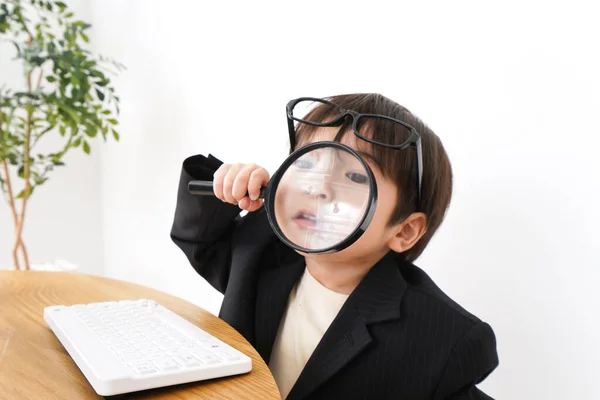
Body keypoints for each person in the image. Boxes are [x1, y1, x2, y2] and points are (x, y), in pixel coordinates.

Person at [170, 93, 499, 399]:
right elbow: (200, 242)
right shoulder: (261, 247)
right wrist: (227, 184)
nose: (317, 188)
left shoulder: (443, 340)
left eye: (355, 177)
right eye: (308, 163)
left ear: (405, 231)